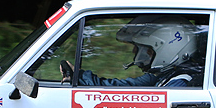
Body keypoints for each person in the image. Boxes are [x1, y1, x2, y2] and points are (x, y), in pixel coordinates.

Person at [62, 15, 204, 87]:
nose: (135, 53)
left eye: (146, 50)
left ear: (167, 49)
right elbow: (119, 88)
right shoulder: (161, 76)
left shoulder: (180, 83)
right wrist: (80, 77)